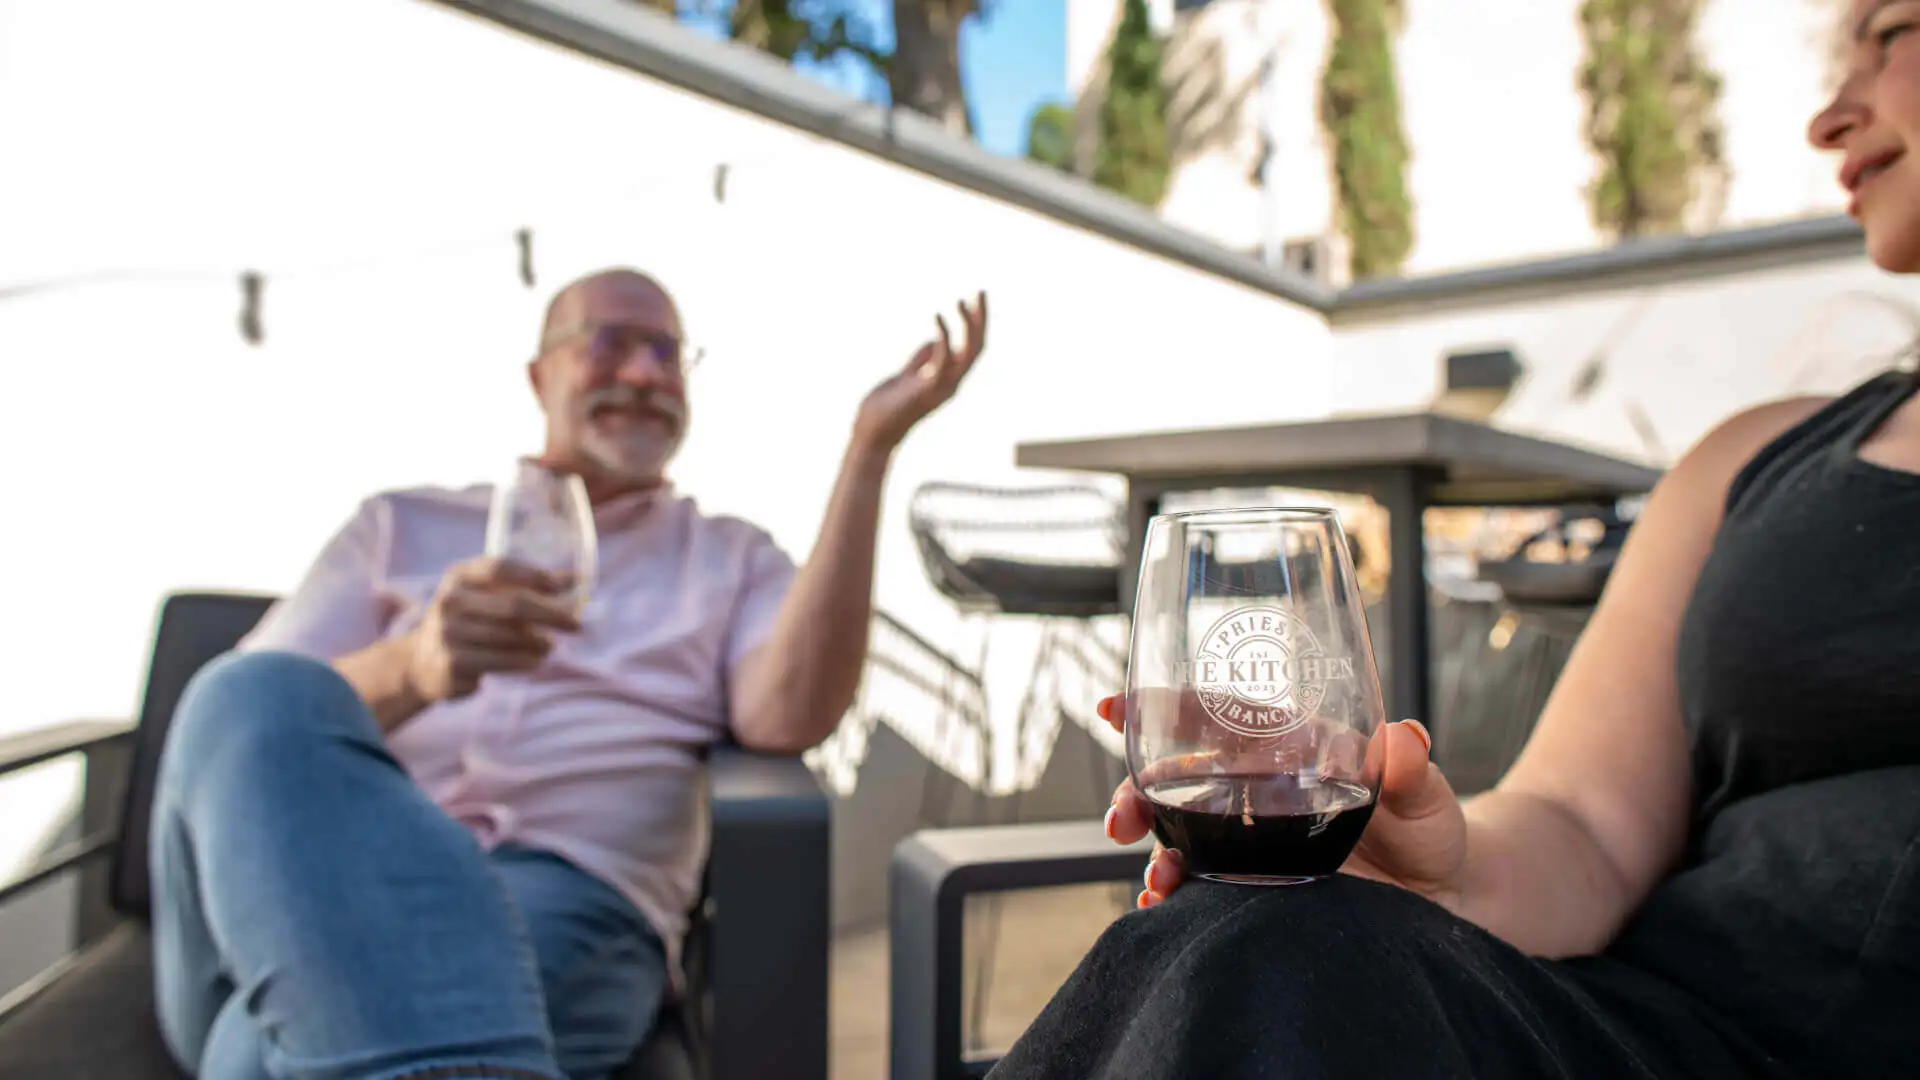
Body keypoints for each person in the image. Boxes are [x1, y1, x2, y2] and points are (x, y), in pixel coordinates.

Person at [990, 5, 1920, 1078]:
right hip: (1667, 1041)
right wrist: (1448, 873)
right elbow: (1583, 822)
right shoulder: (1749, 463)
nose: (1829, 116)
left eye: (1891, 33)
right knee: (1258, 941)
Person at [150, 268, 988, 1080]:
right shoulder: (400, 524)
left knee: (255, 1052)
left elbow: (787, 718)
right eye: (612, 343)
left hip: (567, 887)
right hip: (342, 869)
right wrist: (414, 667)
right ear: (538, 372)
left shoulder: (729, 558)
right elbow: (246, 742)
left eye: (669, 354)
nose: (645, 374)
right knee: (239, 693)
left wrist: (869, 451)